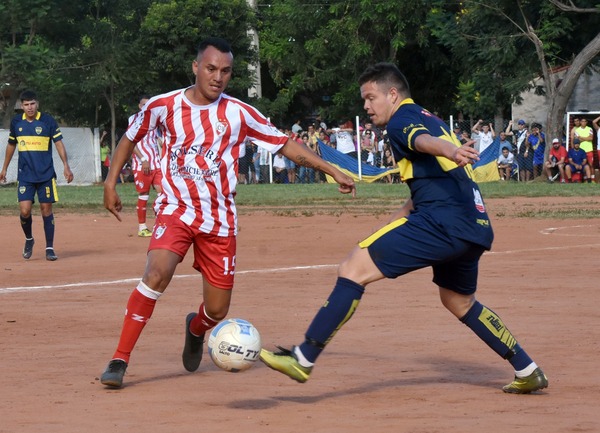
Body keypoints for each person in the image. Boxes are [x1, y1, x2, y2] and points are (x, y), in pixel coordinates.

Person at [260, 62, 548, 394]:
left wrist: (451, 150)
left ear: (392, 94)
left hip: (442, 223)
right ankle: (527, 369)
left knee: (353, 268)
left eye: (370, 98)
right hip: (474, 226)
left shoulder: (401, 122)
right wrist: (393, 223)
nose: (366, 107)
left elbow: (423, 142)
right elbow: (422, 191)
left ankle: (303, 358)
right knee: (459, 302)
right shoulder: (431, 118)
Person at [99, 37, 355, 389]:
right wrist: (110, 182)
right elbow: (129, 137)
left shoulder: (239, 113)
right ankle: (119, 359)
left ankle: (195, 328)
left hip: (219, 220)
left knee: (217, 310)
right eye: (211, 69)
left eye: (225, 71)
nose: (218, 77)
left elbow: (285, 144)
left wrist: (332, 170)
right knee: (157, 272)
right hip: (175, 209)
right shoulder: (163, 106)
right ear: (195, 67)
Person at [0, 90, 74, 261]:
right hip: (25, 175)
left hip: (46, 174)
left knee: (46, 209)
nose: (29, 107)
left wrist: (66, 166)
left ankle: (49, 248)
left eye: (32, 103)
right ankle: (29, 239)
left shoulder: (47, 121)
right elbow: (11, 145)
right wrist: (4, 168)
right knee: (25, 211)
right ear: (21, 106)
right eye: (26, 104)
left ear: (37, 104)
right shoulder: (17, 122)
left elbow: (59, 144)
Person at [129, 95, 163, 237]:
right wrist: (143, 159)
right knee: (144, 194)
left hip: (156, 163)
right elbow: (131, 142)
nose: (145, 107)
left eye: (148, 105)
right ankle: (142, 227)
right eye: (143, 104)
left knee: (163, 193)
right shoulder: (134, 119)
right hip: (142, 164)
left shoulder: (155, 120)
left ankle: (160, 224)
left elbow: (159, 140)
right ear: (139, 106)